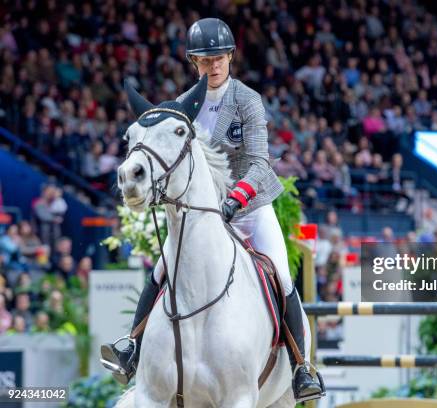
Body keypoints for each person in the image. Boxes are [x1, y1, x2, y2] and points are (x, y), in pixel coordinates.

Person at [101, 18, 323, 402]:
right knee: (160, 270)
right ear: (193, 62)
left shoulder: (247, 100)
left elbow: (259, 162)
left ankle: (301, 366)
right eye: (205, 60)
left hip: (249, 205)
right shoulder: (184, 106)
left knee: (282, 275)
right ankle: (131, 346)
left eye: (219, 58)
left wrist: (235, 198)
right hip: (199, 211)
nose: (214, 65)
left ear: (231, 57)